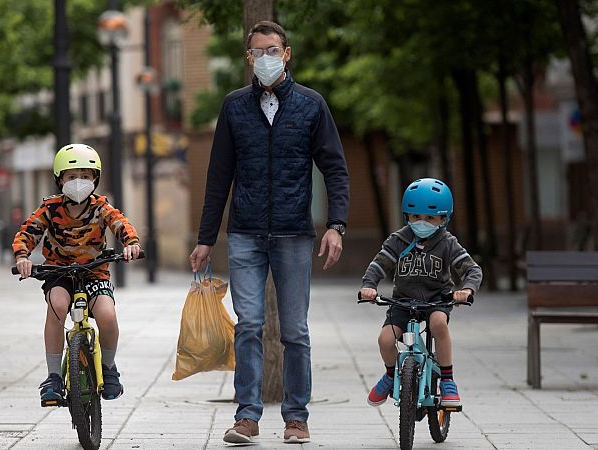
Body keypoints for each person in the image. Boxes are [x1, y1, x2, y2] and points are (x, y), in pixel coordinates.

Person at [189, 20, 349, 445]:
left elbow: (334, 168)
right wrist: (206, 238)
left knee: (295, 330)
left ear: (287, 53)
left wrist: (336, 225)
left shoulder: (312, 105)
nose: (266, 58)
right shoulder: (234, 106)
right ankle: (247, 417)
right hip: (244, 234)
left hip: (295, 234)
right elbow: (218, 175)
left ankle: (296, 418)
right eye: (258, 52)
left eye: (272, 50)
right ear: (248, 58)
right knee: (249, 325)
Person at [13, 143, 141, 405]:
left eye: (85, 175)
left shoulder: (101, 206)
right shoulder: (50, 208)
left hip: (94, 272)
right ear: (60, 180)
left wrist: (131, 244)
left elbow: (120, 223)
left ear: (96, 178)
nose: (78, 182)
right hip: (59, 272)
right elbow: (27, 233)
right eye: (72, 177)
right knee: (57, 306)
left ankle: (108, 367)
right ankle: (53, 378)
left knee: (106, 315)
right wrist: (22, 256)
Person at [359, 178, 482, 409]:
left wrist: (466, 290)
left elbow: (471, 269)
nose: (421, 222)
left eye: (430, 218)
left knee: (438, 324)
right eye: (416, 217)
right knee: (385, 339)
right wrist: (369, 285)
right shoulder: (399, 240)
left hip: (437, 300)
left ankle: (447, 379)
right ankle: (390, 374)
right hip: (403, 301)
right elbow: (379, 264)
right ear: (407, 216)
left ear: (443, 219)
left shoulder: (447, 243)